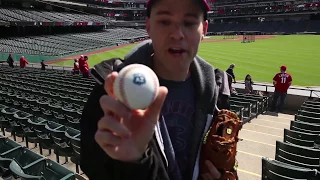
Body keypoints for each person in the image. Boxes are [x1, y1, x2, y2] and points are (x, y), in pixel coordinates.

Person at [80, 0, 235, 180]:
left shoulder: (218, 92)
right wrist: (132, 163)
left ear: (204, 29)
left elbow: (226, 161)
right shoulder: (111, 94)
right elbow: (92, 167)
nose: (177, 34)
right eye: (164, 21)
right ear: (148, 26)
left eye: (189, 23)